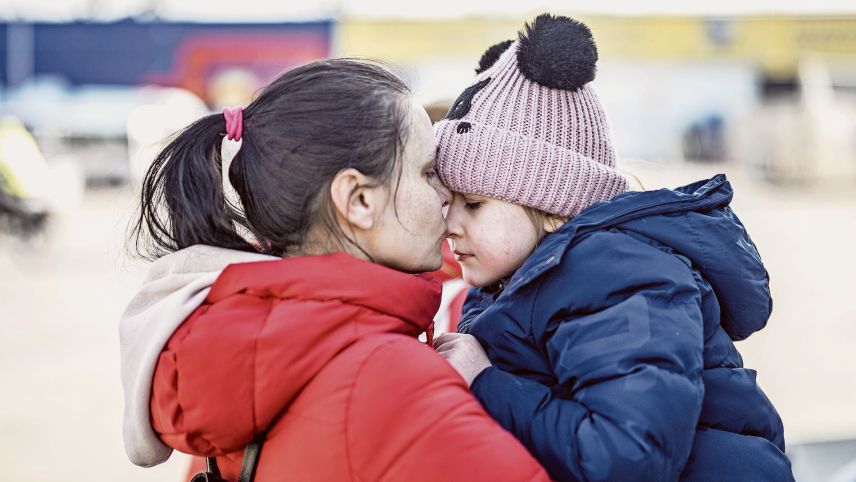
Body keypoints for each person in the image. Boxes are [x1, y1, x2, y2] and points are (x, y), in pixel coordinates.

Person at [120, 58, 549, 481]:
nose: (446, 194)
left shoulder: (237, 352)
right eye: (427, 172)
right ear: (358, 201)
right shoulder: (391, 381)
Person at [432, 14, 795, 482]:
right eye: (448, 202)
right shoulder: (516, 282)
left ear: (551, 204)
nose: (450, 226)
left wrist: (485, 381)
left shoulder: (618, 277)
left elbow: (627, 457)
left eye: (473, 204)